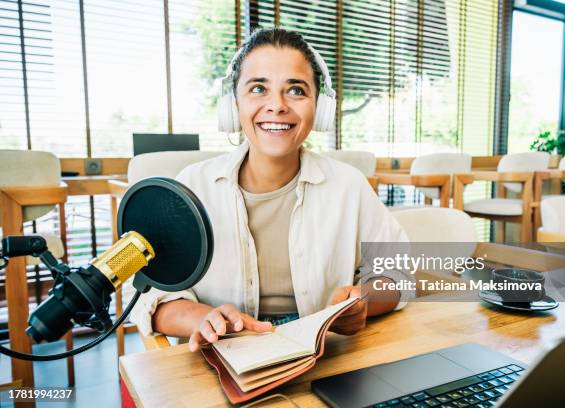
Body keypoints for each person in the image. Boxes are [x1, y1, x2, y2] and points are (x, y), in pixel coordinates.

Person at [131, 28, 408, 353]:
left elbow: (398, 272)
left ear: (319, 109)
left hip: (326, 351)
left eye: (296, 90)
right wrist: (203, 318)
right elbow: (148, 296)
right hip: (224, 351)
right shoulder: (193, 185)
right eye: (259, 88)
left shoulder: (348, 185)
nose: (276, 105)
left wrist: (364, 301)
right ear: (233, 104)